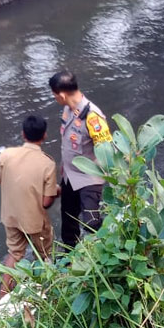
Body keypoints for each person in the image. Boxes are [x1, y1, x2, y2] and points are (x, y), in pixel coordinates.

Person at [0, 115, 59, 299]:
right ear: (44, 136)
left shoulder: (6, 154)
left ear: (22, 134)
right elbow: (46, 202)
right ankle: (46, 294)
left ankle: (1, 300)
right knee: (44, 255)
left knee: (14, 254)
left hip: (10, 218)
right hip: (34, 221)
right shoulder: (47, 163)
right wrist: (56, 192)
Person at [49, 70, 112, 249]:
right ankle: (70, 255)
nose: (54, 98)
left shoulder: (93, 117)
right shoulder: (68, 109)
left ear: (61, 94)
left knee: (91, 221)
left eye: (54, 95)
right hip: (70, 175)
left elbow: (107, 151)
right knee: (68, 218)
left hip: (89, 178)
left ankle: (102, 250)